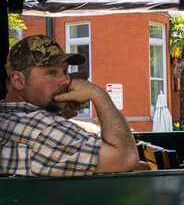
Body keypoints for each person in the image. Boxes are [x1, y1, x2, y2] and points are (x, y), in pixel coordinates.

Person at [1, 34, 141, 176]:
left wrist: (60, 117)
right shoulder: (44, 130)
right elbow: (127, 158)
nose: (66, 80)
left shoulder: (9, 118)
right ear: (18, 80)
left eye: (65, 71)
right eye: (51, 72)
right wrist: (98, 94)